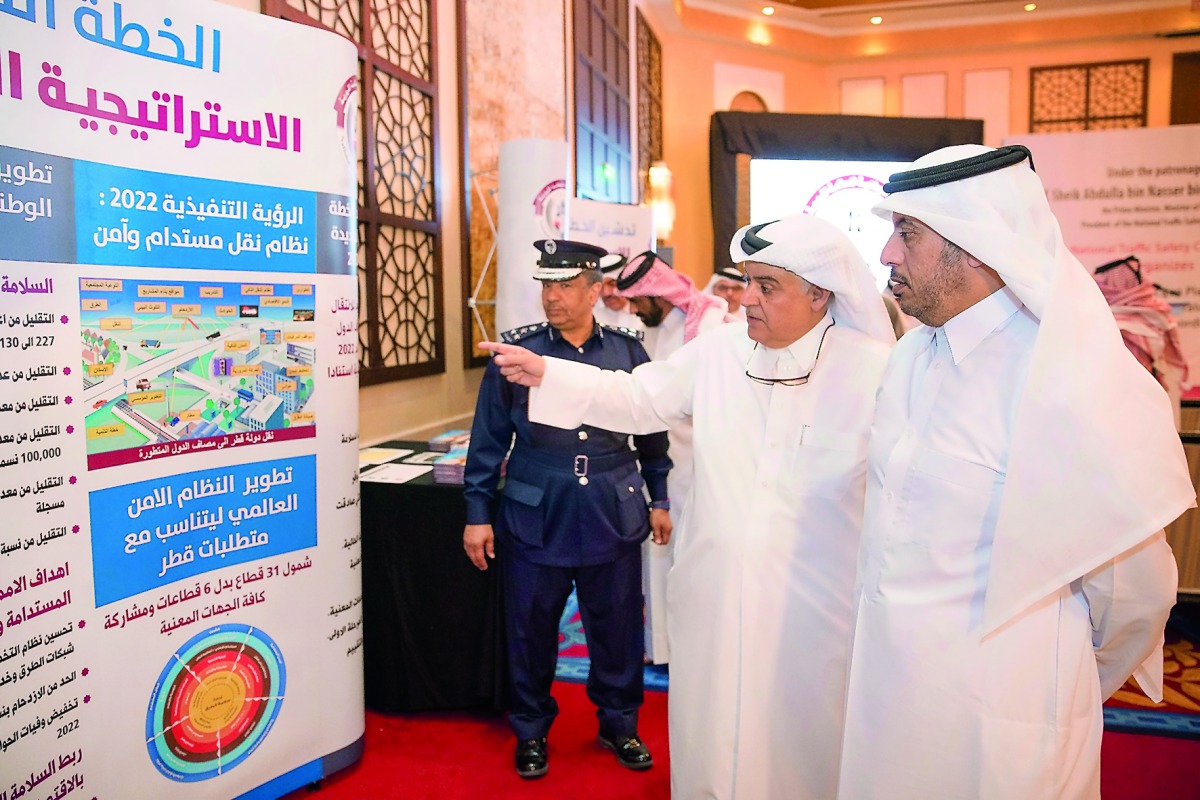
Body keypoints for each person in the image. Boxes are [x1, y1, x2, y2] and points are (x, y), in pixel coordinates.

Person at [480, 215, 896, 799]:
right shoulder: (720, 353)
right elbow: (637, 399)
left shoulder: (875, 369)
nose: (744, 299)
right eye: (747, 281)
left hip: (812, 618)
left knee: (799, 753)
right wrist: (547, 371)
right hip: (715, 601)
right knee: (712, 742)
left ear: (819, 293)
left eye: (766, 287)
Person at [837, 144, 1194, 799]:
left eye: (906, 232)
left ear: (976, 245)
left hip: (1002, 728)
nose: (887, 254)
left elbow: (1135, 596)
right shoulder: (911, 356)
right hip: (889, 706)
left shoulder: (1063, 379)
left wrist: (1043, 675)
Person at [462, 238, 672, 780]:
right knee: (530, 628)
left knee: (618, 625)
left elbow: (651, 432)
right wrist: (477, 513)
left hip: (612, 506)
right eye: (546, 285)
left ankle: (619, 722)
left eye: (564, 285)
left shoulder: (627, 352)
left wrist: (660, 496)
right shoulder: (518, 353)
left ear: (596, 290)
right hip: (538, 509)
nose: (552, 296)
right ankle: (531, 728)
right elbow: (487, 442)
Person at [610, 250, 734, 665]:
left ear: (657, 294)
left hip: (701, 465)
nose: (633, 309)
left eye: (637, 300)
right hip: (657, 465)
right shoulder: (649, 327)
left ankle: (694, 647)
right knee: (657, 555)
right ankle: (660, 647)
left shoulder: (712, 322)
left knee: (693, 556)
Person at [593, 253, 644, 331]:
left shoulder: (645, 311)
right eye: (600, 287)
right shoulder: (590, 315)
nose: (606, 293)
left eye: (612, 284)